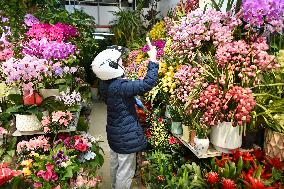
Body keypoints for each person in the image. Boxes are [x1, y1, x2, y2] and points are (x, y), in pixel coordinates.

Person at [91, 38, 159, 189]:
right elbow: (148, 83)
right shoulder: (122, 86)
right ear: (112, 66)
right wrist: (153, 60)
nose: (123, 63)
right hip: (126, 136)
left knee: (115, 164)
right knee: (126, 171)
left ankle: (114, 186)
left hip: (114, 133)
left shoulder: (105, 84)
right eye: (120, 61)